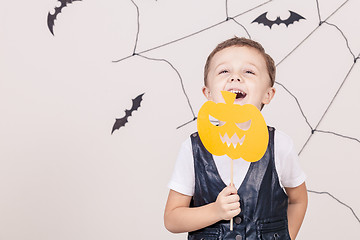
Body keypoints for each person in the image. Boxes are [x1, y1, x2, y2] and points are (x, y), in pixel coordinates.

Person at [164, 37, 308, 240]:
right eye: (224, 71)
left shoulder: (280, 146)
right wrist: (215, 211)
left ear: (268, 94)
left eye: (248, 71)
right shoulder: (193, 149)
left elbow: (298, 200)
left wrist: (286, 237)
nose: (235, 77)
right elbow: (172, 219)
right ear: (208, 93)